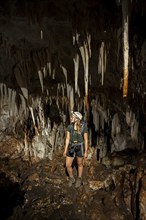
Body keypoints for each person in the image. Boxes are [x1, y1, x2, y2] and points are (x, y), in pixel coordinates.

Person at [63, 111, 88, 187]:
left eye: (72, 117)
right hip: (72, 146)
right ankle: (71, 178)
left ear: (77, 119)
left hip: (80, 146)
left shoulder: (83, 126)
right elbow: (67, 138)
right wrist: (65, 150)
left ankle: (79, 178)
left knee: (79, 164)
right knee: (67, 165)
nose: (70, 118)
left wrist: (86, 151)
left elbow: (86, 139)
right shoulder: (70, 127)